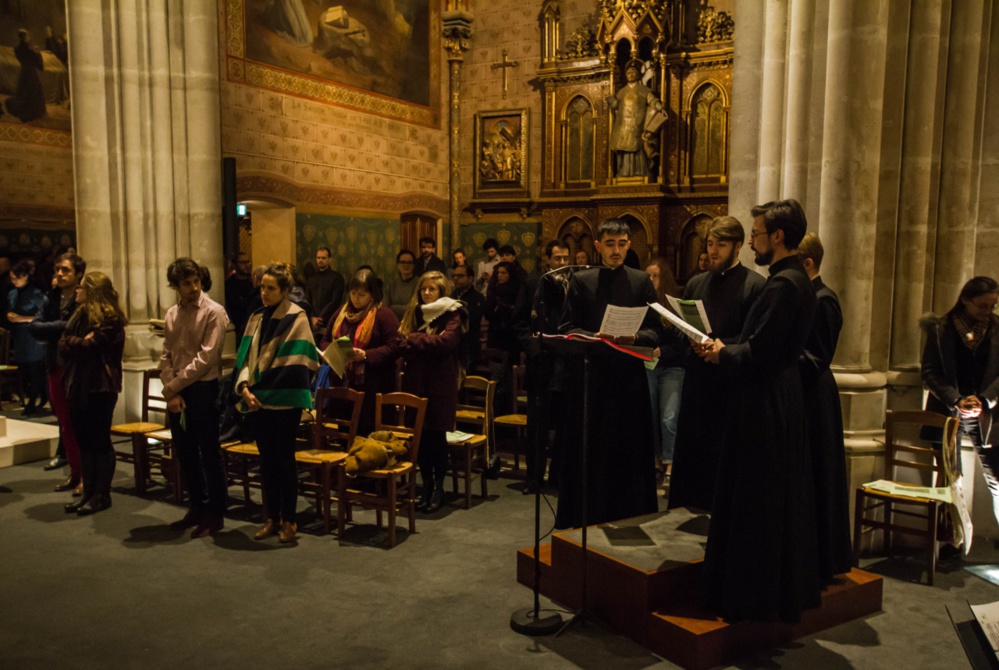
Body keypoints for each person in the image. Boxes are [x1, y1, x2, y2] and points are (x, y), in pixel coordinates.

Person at [697, 199, 820, 623]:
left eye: (756, 234)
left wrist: (721, 352)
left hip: (763, 403)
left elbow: (760, 352)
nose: (752, 242)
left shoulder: (783, 284)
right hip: (778, 397)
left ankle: (750, 599)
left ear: (778, 237)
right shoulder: (795, 279)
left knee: (756, 502)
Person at [556, 219, 661, 529]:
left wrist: (636, 337)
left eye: (622, 244)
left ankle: (630, 515)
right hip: (592, 380)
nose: (617, 250)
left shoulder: (641, 281)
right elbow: (567, 329)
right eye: (610, 244)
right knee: (592, 450)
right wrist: (596, 337)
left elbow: (657, 330)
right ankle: (586, 516)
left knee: (628, 450)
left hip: (629, 380)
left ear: (629, 245)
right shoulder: (581, 280)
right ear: (598, 246)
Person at [668, 216, 766, 511]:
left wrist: (721, 347)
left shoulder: (755, 285)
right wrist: (690, 339)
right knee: (694, 452)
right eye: (710, 244)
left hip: (730, 385)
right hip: (698, 381)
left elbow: (754, 338)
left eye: (720, 245)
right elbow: (681, 328)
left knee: (722, 456)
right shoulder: (696, 283)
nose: (713, 251)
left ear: (738, 246)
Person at [234, 263, 319, 544]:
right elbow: (245, 357)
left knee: (284, 462)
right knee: (267, 463)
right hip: (256, 401)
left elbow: (295, 364)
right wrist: (244, 388)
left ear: (285, 291)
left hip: (283, 403)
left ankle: (290, 521)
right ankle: (271, 518)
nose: (264, 293)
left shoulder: (297, 317)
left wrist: (259, 391)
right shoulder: (256, 316)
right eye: (262, 287)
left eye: (271, 288)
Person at [796, 233, 852, 584]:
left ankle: (824, 558)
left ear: (808, 264)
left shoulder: (824, 299)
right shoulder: (804, 296)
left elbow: (817, 357)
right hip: (801, 392)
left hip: (815, 397)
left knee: (819, 473)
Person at [160, 258, 230, 538]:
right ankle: (197, 506)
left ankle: (215, 512)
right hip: (178, 392)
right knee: (185, 451)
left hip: (203, 389)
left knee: (209, 452)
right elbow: (166, 354)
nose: (193, 287)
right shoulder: (171, 314)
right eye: (186, 283)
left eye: (196, 281)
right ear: (175, 286)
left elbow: (206, 358)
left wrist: (173, 387)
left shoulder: (214, 312)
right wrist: (173, 390)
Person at [922, 276, 999, 527]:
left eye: (993, 306)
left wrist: (985, 400)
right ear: (965, 300)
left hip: (987, 414)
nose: (988, 312)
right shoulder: (940, 329)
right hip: (949, 412)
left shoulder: (997, 328)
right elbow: (929, 373)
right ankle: (951, 539)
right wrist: (956, 400)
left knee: (997, 478)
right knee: (950, 479)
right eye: (982, 306)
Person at [59, 272, 126, 516]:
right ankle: (88, 492)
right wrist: (75, 341)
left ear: (93, 291)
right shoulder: (79, 315)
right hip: (78, 384)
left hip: (100, 386)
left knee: (99, 442)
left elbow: (91, 346)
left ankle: (101, 495)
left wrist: (74, 342)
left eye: (82, 287)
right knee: (84, 442)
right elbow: (63, 344)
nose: (77, 290)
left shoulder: (111, 318)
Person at [399, 271, 466, 514]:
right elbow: (401, 342)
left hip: (440, 383)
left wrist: (415, 339)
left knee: (437, 436)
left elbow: (445, 343)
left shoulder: (453, 312)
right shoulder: (415, 312)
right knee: (421, 437)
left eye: (432, 289)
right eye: (423, 289)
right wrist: (421, 341)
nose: (427, 293)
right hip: (416, 381)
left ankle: (439, 487)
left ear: (442, 291)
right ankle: (425, 484)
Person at [320, 269, 402, 435]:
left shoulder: (383, 314)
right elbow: (325, 339)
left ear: (372, 294)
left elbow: (395, 346)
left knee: (366, 433)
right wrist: (331, 352)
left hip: (372, 385)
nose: (356, 298)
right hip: (343, 382)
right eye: (353, 293)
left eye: (362, 295)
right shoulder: (341, 313)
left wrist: (366, 355)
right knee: (344, 433)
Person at [28, 253, 84, 494]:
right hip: (55, 364)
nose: (59, 274)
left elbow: (82, 329)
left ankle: (86, 476)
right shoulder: (50, 297)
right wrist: (65, 326)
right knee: (65, 424)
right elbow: (35, 327)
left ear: (79, 274)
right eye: (57, 270)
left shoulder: (84, 299)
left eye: (65, 270)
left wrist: (53, 329)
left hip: (77, 368)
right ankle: (75, 473)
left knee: (80, 424)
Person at [518, 241, 571, 492]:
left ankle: (559, 477)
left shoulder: (574, 283)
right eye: (557, 258)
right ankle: (534, 478)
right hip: (542, 363)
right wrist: (533, 347)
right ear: (547, 259)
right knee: (537, 426)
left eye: (565, 259)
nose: (562, 263)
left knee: (564, 426)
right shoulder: (533, 282)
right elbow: (519, 322)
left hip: (566, 362)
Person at [644, 257, 685, 492]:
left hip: (672, 366)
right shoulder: (642, 304)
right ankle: (655, 460)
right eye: (648, 276)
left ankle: (670, 464)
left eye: (655, 276)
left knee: (669, 416)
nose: (651, 280)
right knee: (649, 413)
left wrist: (664, 351)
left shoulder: (673, 305)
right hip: (649, 365)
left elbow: (683, 344)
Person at [606, 59, 663, 178]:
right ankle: (624, 172)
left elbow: (652, 101)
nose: (630, 74)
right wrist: (611, 101)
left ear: (638, 74)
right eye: (628, 73)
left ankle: (640, 172)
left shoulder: (644, 90)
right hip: (623, 126)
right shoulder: (621, 92)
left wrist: (660, 107)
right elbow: (616, 105)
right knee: (624, 149)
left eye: (633, 72)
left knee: (638, 148)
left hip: (638, 124)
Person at [7, 261, 48, 415]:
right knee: (24, 368)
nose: (13, 281)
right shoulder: (12, 293)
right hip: (19, 335)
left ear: (25, 276)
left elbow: (43, 316)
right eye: (11, 279)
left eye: (16, 278)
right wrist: (10, 316)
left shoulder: (36, 293)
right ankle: (38, 395)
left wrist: (21, 318)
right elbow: (10, 309)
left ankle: (32, 401)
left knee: (35, 368)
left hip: (33, 335)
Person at [5, 29, 46, 123]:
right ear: (24, 37)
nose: (29, 38)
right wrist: (37, 53)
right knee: (31, 93)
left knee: (23, 93)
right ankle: (30, 113)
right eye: (28, 36)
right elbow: (39, 66)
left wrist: (33, 53)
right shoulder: (29, 52)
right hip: (31, 75)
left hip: (24, 74)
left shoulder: (17, 49)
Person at [305, 247, 345, 335]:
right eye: (318, 258)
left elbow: (335, 301)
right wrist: (312, 317)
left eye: (323, 258)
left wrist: (320, 318)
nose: (320, 260)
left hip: (330, 321)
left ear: (329, 260)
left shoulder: (337, 278)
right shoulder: (311, 279)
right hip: (312, 323)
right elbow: (307, 300)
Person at [485, 261, 522, 356]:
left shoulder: (516, 290)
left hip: (510, 331)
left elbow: (517, 311)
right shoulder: (494, 288)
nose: (500, 275)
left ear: (510, 274)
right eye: (498, 273)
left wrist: (504, 307)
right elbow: (488, 311)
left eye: (503, 273)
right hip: (495, 329)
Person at [451, 263, 484, 366]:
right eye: (454, 276)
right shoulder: (449, 296)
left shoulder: (478, 298)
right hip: (452, 345)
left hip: (469, 346)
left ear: (470, 279)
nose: (456, 278)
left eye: (460, 276)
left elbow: (473, 321)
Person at [225, 252, 254, 339]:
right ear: (235, 265)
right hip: (238, 326)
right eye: (243, 263)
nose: (247, 265)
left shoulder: (253, 282)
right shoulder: (229, 285)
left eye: (248, 262)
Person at [385, 250, 419, 320]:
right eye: (403, 262)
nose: (406, 265)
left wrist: (393, 307)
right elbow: (385, 307)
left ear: (414, 265)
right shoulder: (391, 284)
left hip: (412, 321)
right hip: (392, 321)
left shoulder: (419, 283)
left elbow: (413, 308)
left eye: (409, 263)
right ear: (398, 265)